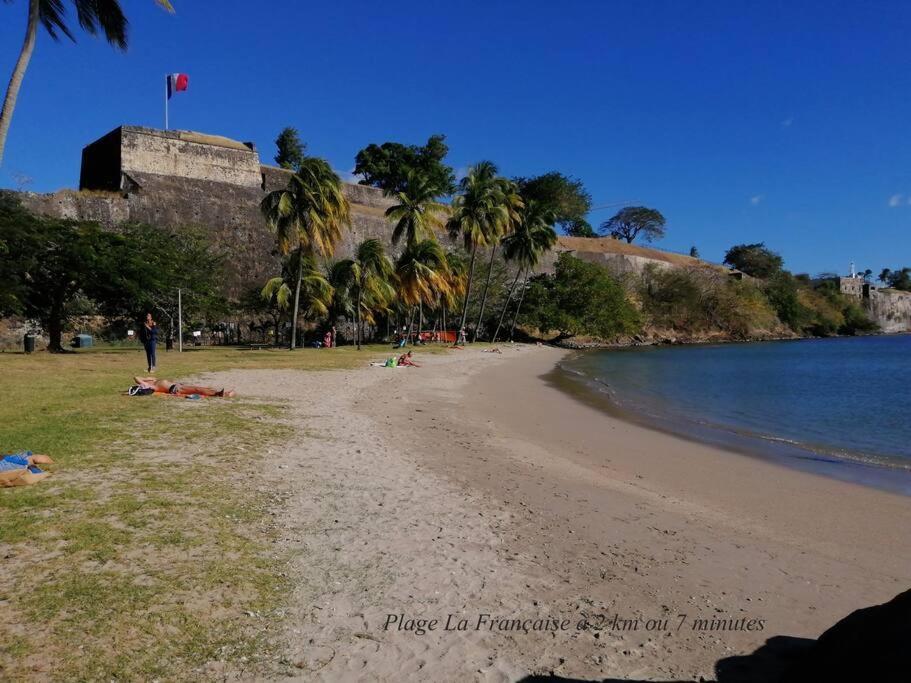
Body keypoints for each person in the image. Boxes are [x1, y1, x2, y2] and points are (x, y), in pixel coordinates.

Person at [133, 376, 236, 397]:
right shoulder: (152, 386)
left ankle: (223, 393)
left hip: (177, 385)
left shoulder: (155, 381)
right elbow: (136, 377)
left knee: (199, 388)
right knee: (197, 389)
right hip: (175, 389)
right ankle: (219, 394)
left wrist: (148, 378)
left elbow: (149, 377)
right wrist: (145, 381)